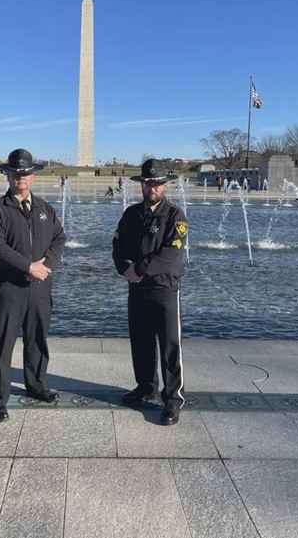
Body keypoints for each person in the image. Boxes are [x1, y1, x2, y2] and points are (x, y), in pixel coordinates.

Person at [0, 148, 67, 423]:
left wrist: (45, 266)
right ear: (8, 175)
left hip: (40, 286)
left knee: (37, 340)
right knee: (1, 345)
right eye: (16, 173)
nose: (22, 177)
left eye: (26, 173)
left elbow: (59, 238)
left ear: (33, 176)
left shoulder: (44, 208)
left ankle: (37, 385)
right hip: (8, 287)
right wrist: (28, 267)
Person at [112, 159, 188, 426]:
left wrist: (140, 269)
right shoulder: (131, 214)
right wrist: (125, 270)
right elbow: (117, 246)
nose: (152, 187)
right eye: (148, 183)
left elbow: (170, 254)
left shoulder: (175, 216)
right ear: (141, 184)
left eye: (157, 183)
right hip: (137, 288)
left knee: (169, 345)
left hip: (164, 288)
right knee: (141, 342)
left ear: (165, 185)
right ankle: (145, 387)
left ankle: (173, 399)